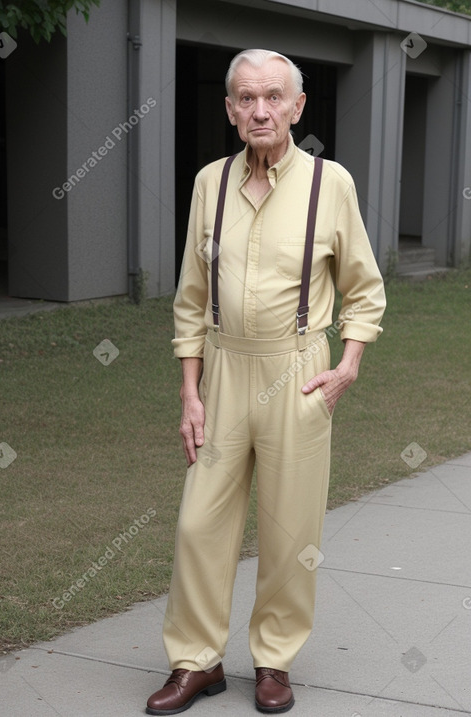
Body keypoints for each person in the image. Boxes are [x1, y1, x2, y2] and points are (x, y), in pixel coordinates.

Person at [146, 48, 386, 715]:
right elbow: (191, 299)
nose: (260, 110)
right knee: (199, 524)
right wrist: (190, 393)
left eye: (273, 97)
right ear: (229, 109)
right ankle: (197, 661)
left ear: (297, 107)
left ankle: (275, 658)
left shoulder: (329, 183)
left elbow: (364, 289)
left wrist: (348, 364)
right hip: (223, 369)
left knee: (289, 529)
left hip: (299, 368)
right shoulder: (208, 184)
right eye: (246, 98)